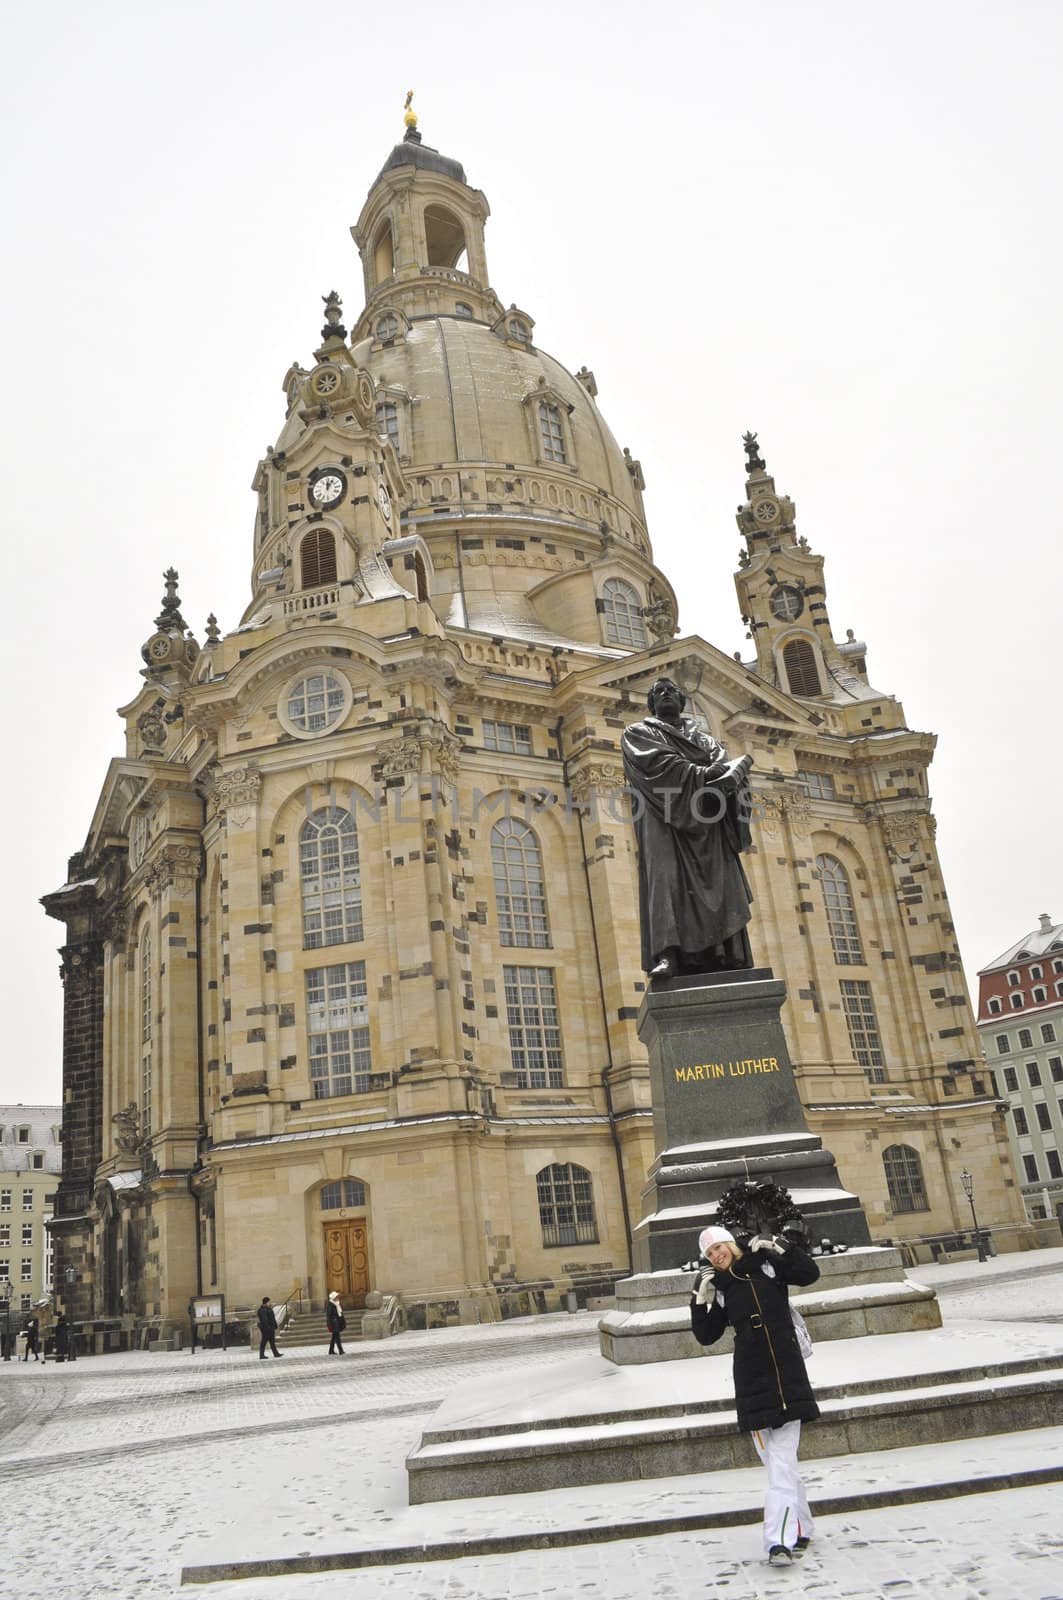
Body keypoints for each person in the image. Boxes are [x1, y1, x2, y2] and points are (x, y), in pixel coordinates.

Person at [690, 1224, 820, 1566]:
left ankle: (778, 1542)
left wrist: (783, 1248)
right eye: (710, 1254)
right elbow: (706, 1335)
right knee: (779, 1464)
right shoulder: (719, 1289)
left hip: (786, 1374)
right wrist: (697, 1299)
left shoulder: (766, 1265)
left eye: (720, 1247)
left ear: (731, 1244)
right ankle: (802, 1526)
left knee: (781, 1463)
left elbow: (809, 1274)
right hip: (751, 1380)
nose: (717, 1255)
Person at [621, 678, 754, 980]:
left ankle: (729, 954)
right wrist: (703, 773)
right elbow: (656, 766)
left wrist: (732, 777)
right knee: (665, 881)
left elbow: (724, 768)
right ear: (653, 704)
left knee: (720, 881)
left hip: (708, 820)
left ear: (682, 702)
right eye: (659, 692)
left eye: (671, 691)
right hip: (661, 817)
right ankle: (669, 954)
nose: (666, 694)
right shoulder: (638, 733)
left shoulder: (706, 740)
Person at [326, 1290, 346, 1355]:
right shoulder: (330, 1304)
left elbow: (340, 1314)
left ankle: (330, 1351)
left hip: (337, 1323)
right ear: (334, 1298)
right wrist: (329, 1324)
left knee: (334, 1337)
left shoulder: (337, 1304)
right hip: (334, 1323)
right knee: (337, 1338)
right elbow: (328, 1316)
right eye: (337, 1296)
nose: (338, 1297)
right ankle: (341, 1351)